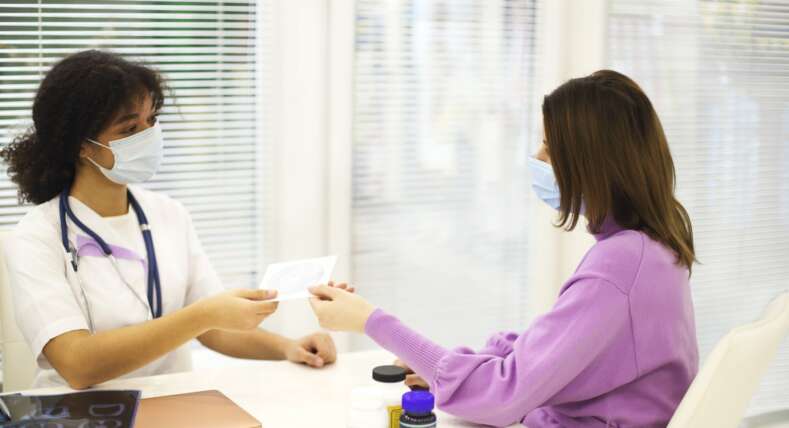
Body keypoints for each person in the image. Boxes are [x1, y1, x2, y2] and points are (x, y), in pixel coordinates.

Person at [309, 70, 699, 427]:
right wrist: (447, 364)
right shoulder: (654, 249)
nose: (538, 159)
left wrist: (370, 320)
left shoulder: (619, 266)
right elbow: (556, 352)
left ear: (592, 161)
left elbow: (502, 397)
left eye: (549, 148)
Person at [1, 50, 336, 389]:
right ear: (80, 147)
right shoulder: (37, 235)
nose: (148, 135)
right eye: (130, 127)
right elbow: (77, 364)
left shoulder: (168, 214)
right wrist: (203, 315)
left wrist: (288, 348)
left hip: (171, 401)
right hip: (79, 413)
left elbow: (215, 329)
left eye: (152, 119)